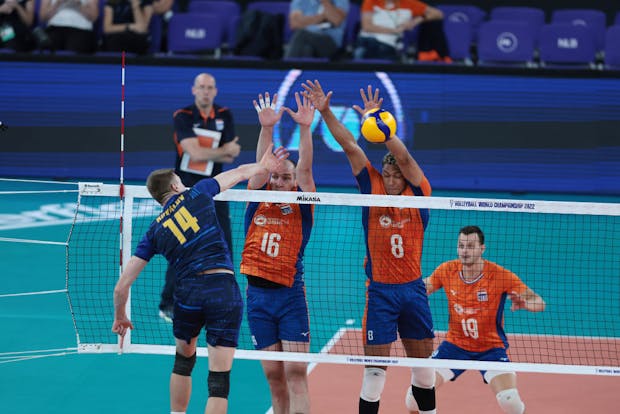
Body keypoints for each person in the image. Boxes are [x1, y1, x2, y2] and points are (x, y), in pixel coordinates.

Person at [111, 144, 290, 414]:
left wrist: (120, 316)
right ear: (174, 188)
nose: (184, 185)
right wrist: (264, 166)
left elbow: (121, 287)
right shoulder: (199, 193)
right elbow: (241, 172)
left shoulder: (154, 232)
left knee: (183, 363)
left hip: (188, 293)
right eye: (180, 182)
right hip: (222, 290)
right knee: (219, 382)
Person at [302, 80, 437, 414]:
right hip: (380, 293)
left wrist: (382, 127)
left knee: (424, 371)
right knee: (374, 374)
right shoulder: (371, 184)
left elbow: (404, 157)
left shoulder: (419, 195)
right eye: (387, 173)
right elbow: (349, 145)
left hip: (413, 291)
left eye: (396, 175)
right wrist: (325, 112)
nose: (391, 179)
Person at [406, 225, 546, 414]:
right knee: (414, 398)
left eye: (471, 246)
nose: (465, 251)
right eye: (461, 246)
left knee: (510, 401)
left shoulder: (499, 276)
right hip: (454, 346)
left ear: (482, 248)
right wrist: (406, 291)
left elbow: (538, 301)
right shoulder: (447, 270)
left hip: (491, 349)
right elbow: (421, 289)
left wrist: (527, 304)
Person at [240, 90, 315, 413]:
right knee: (274, 378)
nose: (283, 182)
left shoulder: (302, 205)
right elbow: (260, 168)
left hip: (289, 297)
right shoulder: (258, 197)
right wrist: (267, 129)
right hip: (257, 299)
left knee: (296, 373)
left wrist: (305, 128)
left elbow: (306, 173)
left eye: (289, 177)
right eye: (278, 177)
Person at [159, 72, 241, 322]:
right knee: (182, 246)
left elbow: (232, 155)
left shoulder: (224, 114)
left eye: (210, 87)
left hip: (216, 190)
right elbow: (193, 150)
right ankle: (168, 303)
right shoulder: (182, 116)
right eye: (202, 87)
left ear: (215, 91)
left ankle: (220, 301)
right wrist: (219, 150)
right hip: (184, 191)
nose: (206, 91)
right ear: (194, 90)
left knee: (222, 246)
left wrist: (210, 152)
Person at [354, 0, 450, 63]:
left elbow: (438, 14)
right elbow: (366, 26)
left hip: (388, 46)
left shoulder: (408, 3)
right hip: (366, 42)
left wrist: (415, 21)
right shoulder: (371, 1)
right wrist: (394, 31)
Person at [285, 0, 349, 59]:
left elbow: (336, 20)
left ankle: (285, 67)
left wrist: (324, 2)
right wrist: (323, 16)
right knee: (307, 49)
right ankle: (304, 71)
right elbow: (294, 24)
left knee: (301, 34)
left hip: (330, 41)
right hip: (306, 39)